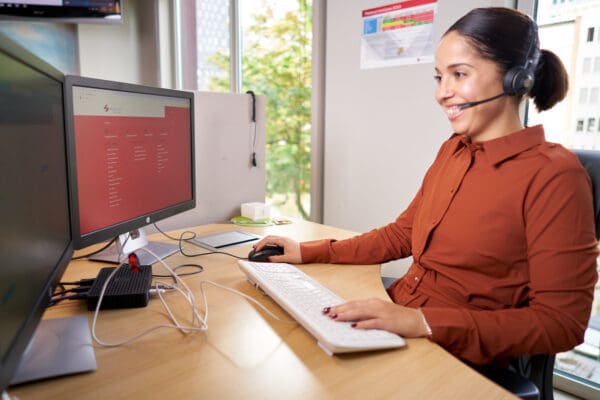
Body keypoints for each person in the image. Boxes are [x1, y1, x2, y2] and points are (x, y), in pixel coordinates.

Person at [253, 7, 599, 366]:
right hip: (400, 316)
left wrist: (421, 321)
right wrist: (306, 252)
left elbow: (562, 324)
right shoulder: (454, 150)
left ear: (515, 80)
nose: (442, 93)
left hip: (453, 353)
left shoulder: (554, 176)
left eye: (459, 74)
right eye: (439, 77)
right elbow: (401, 234)